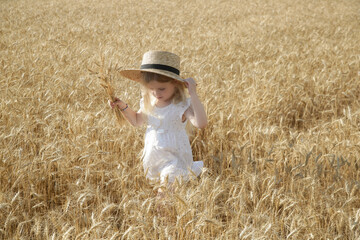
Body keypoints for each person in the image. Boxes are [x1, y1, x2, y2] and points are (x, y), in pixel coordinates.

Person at [109, 50, 207, 187]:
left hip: (175, 160)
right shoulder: (149, 103)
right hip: (153, 159)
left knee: (164, 195)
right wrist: (123, 106)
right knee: (162, 197)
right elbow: (136, 121)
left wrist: (193, 94)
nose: (156, 93)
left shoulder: (180, 106)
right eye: (151, 89)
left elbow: (201, 123)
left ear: (175, 83)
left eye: (161, 88)